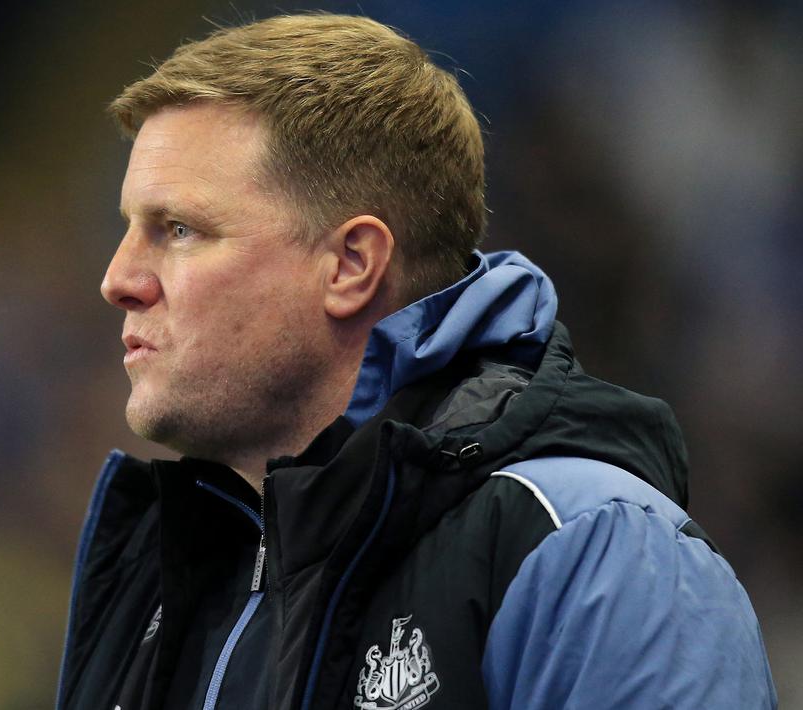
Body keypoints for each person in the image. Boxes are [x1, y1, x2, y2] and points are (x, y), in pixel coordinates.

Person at [57, 13, 776, 710]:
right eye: (130, 229)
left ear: (349, 263)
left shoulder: (591, 552)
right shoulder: (153, 582)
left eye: (178, 229)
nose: (119, 279)